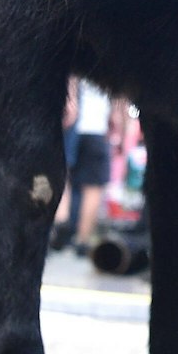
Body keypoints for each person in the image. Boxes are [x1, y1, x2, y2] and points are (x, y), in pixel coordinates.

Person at [65, 78, 115, 255]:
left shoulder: (75, 57)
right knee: (93, 187)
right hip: (96, 129)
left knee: (64, 178)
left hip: (70, 127)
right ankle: (82, 239)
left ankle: (58, 229)